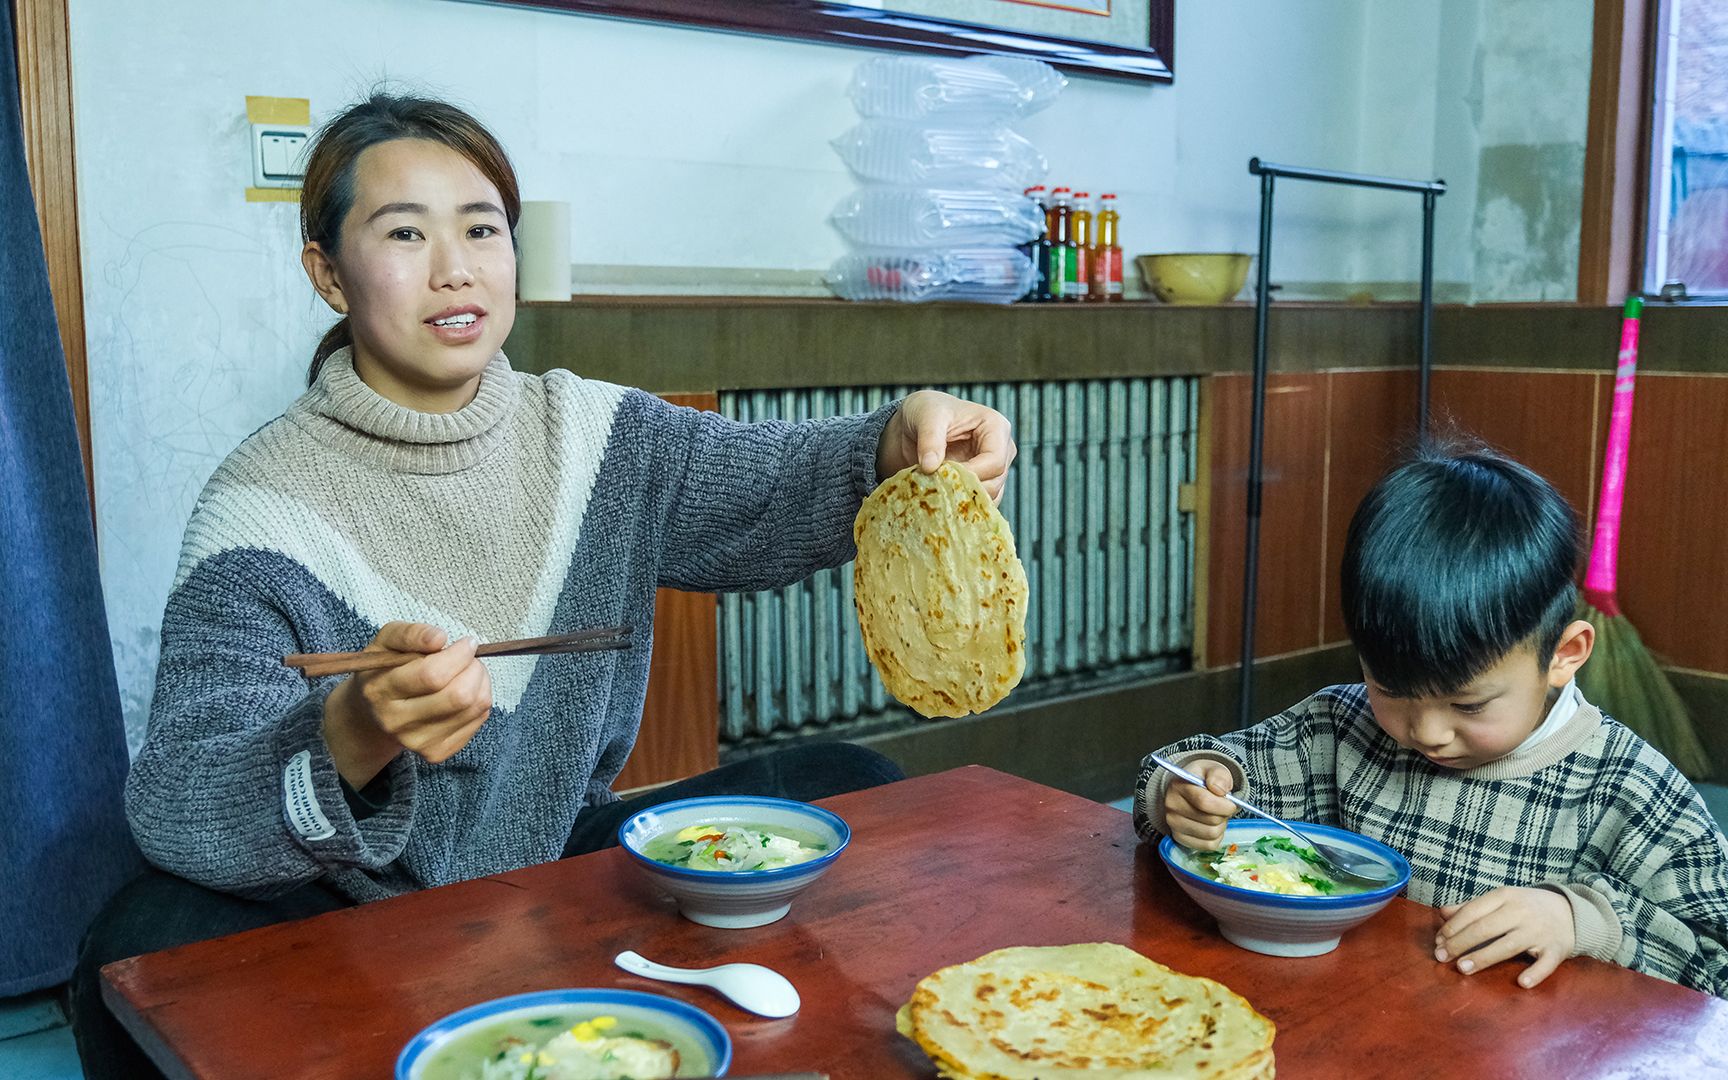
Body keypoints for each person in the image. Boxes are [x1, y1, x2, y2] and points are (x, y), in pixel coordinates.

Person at [71, 92, 1017, 1076]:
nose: (456, 267)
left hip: (561, 872)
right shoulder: (260, 513)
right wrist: (352, 734)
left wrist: (896, 443)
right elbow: (179, 802)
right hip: (353, 918)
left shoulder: (604, 439)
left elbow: (782, 482)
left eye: (482, 228)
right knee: (137, 936)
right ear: (328, 273)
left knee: (849, 785)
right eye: (404, 232)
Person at [1137, 443, 1728, 997]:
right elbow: (1213, 771)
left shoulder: (1629, 791)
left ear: (1564, 655)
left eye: (1468, 705)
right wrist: (1190, 787)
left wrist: (1583, 922)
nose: (1426, 733)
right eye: (1391, 690)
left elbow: (1715, 961)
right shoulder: (1343, 726)